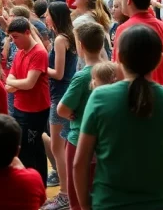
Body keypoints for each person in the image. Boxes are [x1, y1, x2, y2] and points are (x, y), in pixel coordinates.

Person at [74, 24, 163, 209]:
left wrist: (86, 206)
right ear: (160, 59)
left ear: (119, 57)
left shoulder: (100, 97)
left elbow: (79, 164)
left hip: (107, 204)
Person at [57, 22, 106, 210]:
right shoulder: (112, 70)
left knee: (77, 193)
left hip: (79, 139)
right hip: (105, 140)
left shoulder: (83, 76)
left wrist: (72, 114)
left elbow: (62, 109)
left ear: (81, 46)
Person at [5, 17, 51, 186]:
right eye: (11, 38)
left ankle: (35, 186)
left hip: (35, 110)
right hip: (20, 107)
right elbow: (12, 75)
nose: (14, 41)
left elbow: (29, 83)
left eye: (16, 37)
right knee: (27, 147)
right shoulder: (20, 52)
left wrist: (13, 84)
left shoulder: (38, 53)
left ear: (27, 33)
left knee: (30, 150)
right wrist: (15, 83)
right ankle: (34, 184)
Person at [44, 2, 78, 210]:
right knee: (63, 146)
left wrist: (39, 67)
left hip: (60, 95)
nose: (45, 18)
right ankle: (68, 190)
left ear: (55, 17)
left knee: (58, 147)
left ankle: (65, 193)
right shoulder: (68, 36)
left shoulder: (60, 39)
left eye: (47, 15)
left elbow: (58, 72)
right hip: (65, 93)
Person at [112, 0, 163, 86]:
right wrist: (161, 83)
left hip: (131, 93)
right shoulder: (161, 26)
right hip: (157, 90)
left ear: (128, 0)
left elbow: (118, 66)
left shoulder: (123, 29)